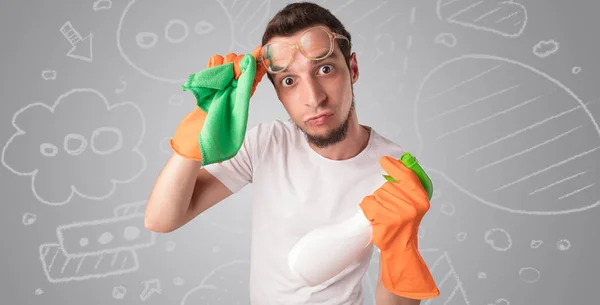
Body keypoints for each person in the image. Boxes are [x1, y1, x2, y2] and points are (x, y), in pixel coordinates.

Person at [145, 2, 437, 304]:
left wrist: (400, 250)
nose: (313, 98)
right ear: (278, 93)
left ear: (352, 69)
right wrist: (197, 134)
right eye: (289, 80)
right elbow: (161, 220)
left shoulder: (394, 169)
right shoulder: (267, 143)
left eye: (325, 69)